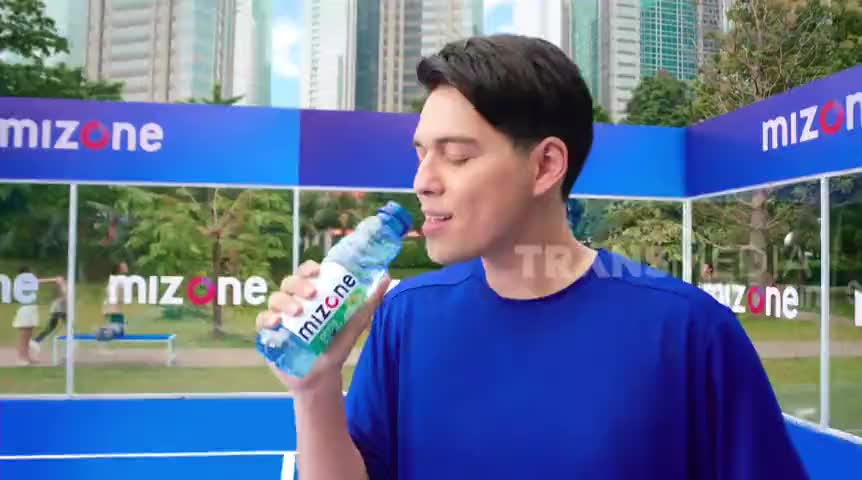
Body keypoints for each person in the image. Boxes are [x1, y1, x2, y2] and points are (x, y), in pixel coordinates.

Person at [256, 34, 809, 479]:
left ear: (545, 166)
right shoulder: (408, 317)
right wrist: (315, 390)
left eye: (456, 156)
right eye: (422, 154)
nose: (423, 182)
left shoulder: (689, 331)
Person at [31, 276, 67, 349]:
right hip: (59, 309)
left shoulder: (64, 285)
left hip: (60, 309)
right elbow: (63, 296)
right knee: (66, 326)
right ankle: (36, 340)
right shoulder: (61, 286)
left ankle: (37, 340)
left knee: (52, 326)